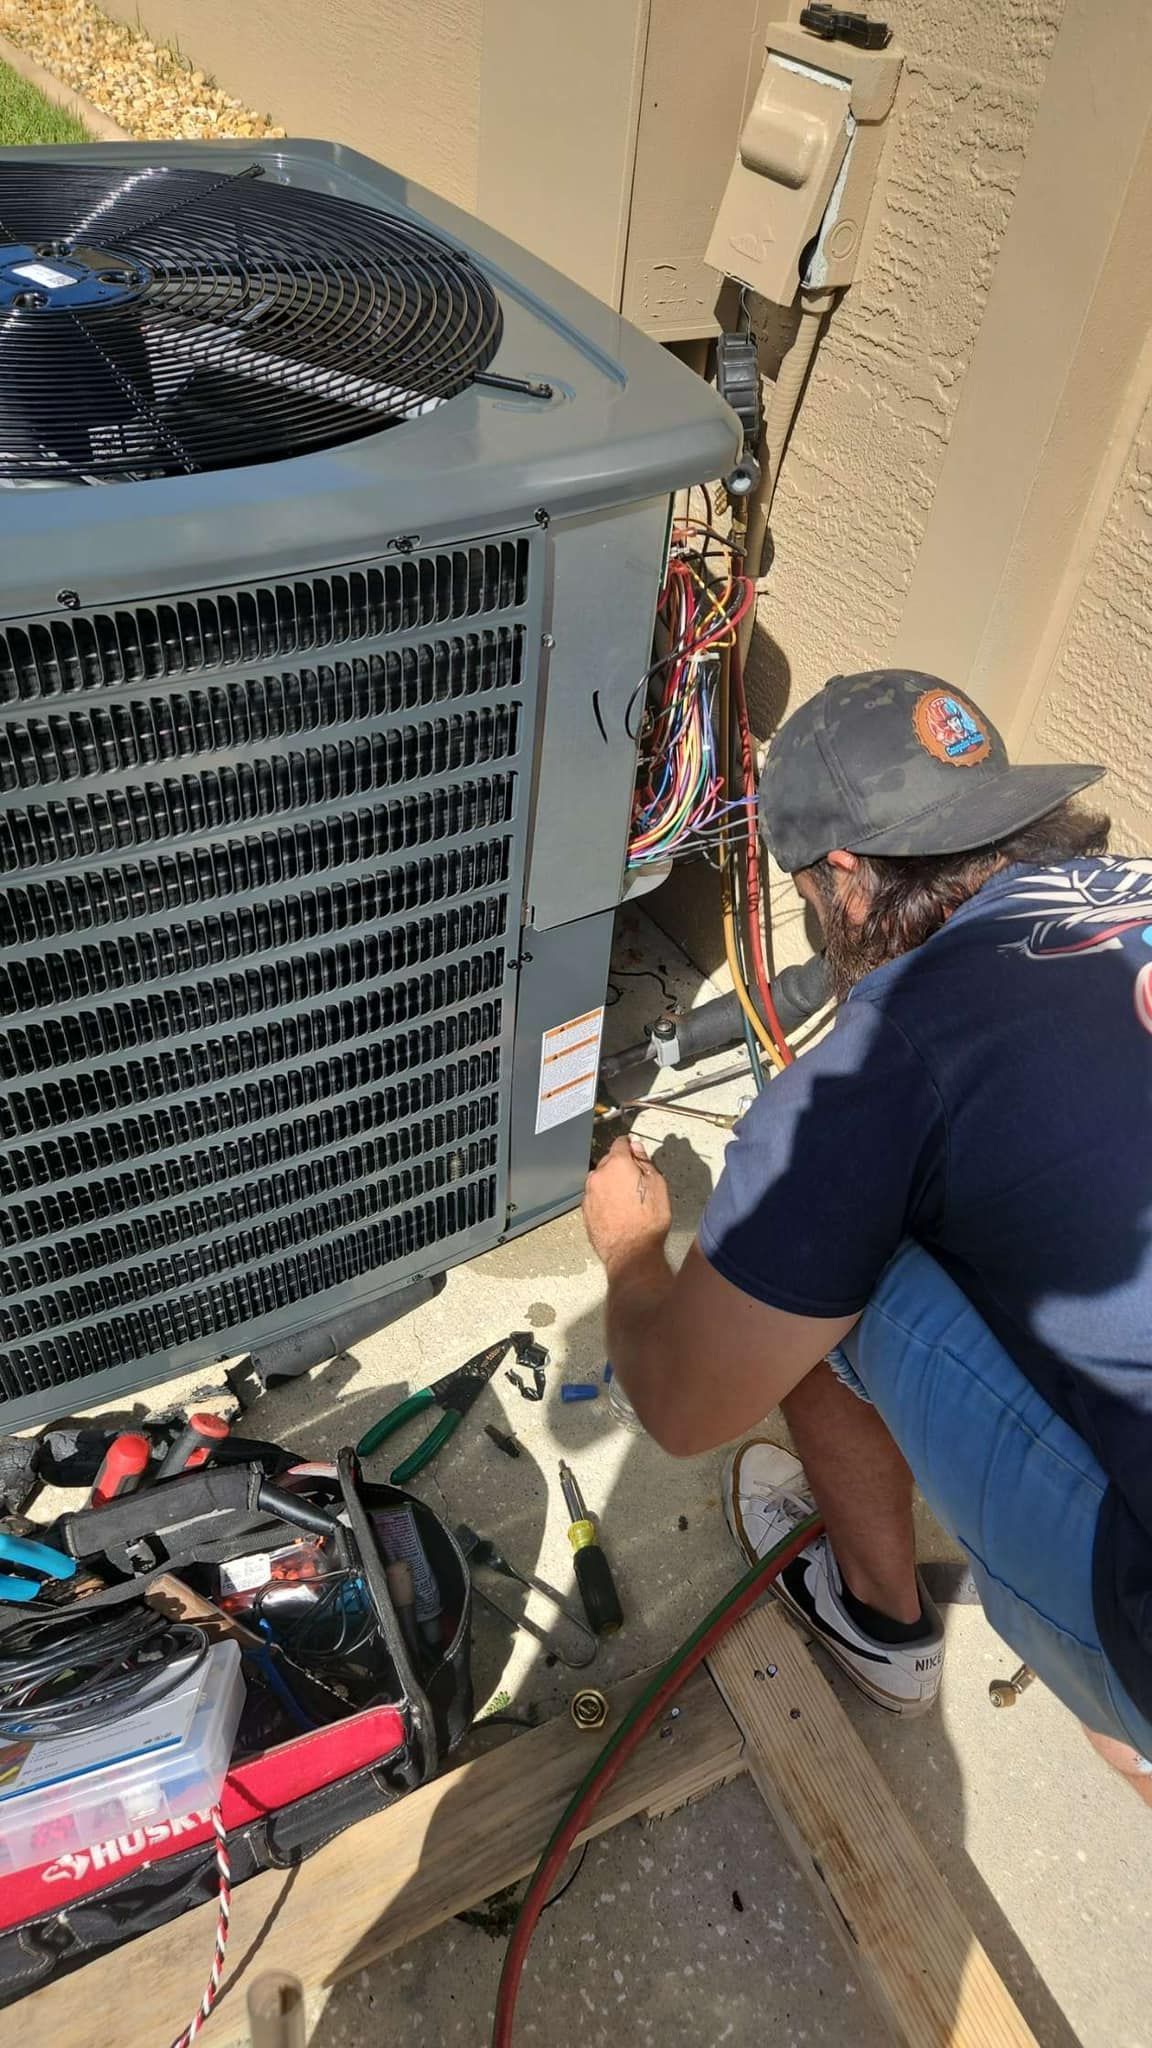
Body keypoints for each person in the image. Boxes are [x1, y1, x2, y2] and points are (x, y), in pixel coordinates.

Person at [584, 669, 1152, 1803]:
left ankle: (884, 1625)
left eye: (802, 891)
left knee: (832, 1254)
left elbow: (685, 1403)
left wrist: (634, 1252)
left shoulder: (892, 1055)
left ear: (844, 876)